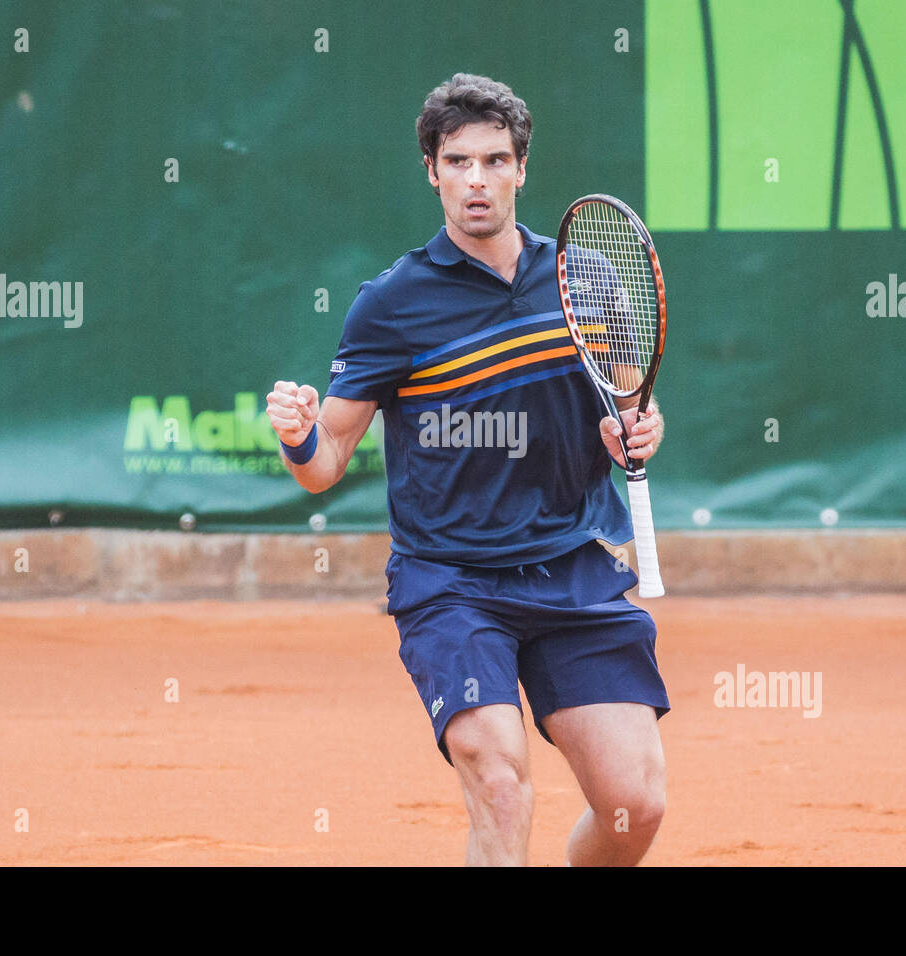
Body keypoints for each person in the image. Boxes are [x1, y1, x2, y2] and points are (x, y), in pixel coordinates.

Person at [266, 73, 669, 866]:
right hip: (452, 581)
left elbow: (627, 410)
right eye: (457, 162)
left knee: (634, 807)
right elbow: (326, 464)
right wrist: (300, 435)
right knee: (501, 782)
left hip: (573, 567)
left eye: (494, 160)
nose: (476, 180)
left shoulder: (587, 281)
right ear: (432, 170)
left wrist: (638, 432)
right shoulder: (390, 304)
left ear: (522, 167)